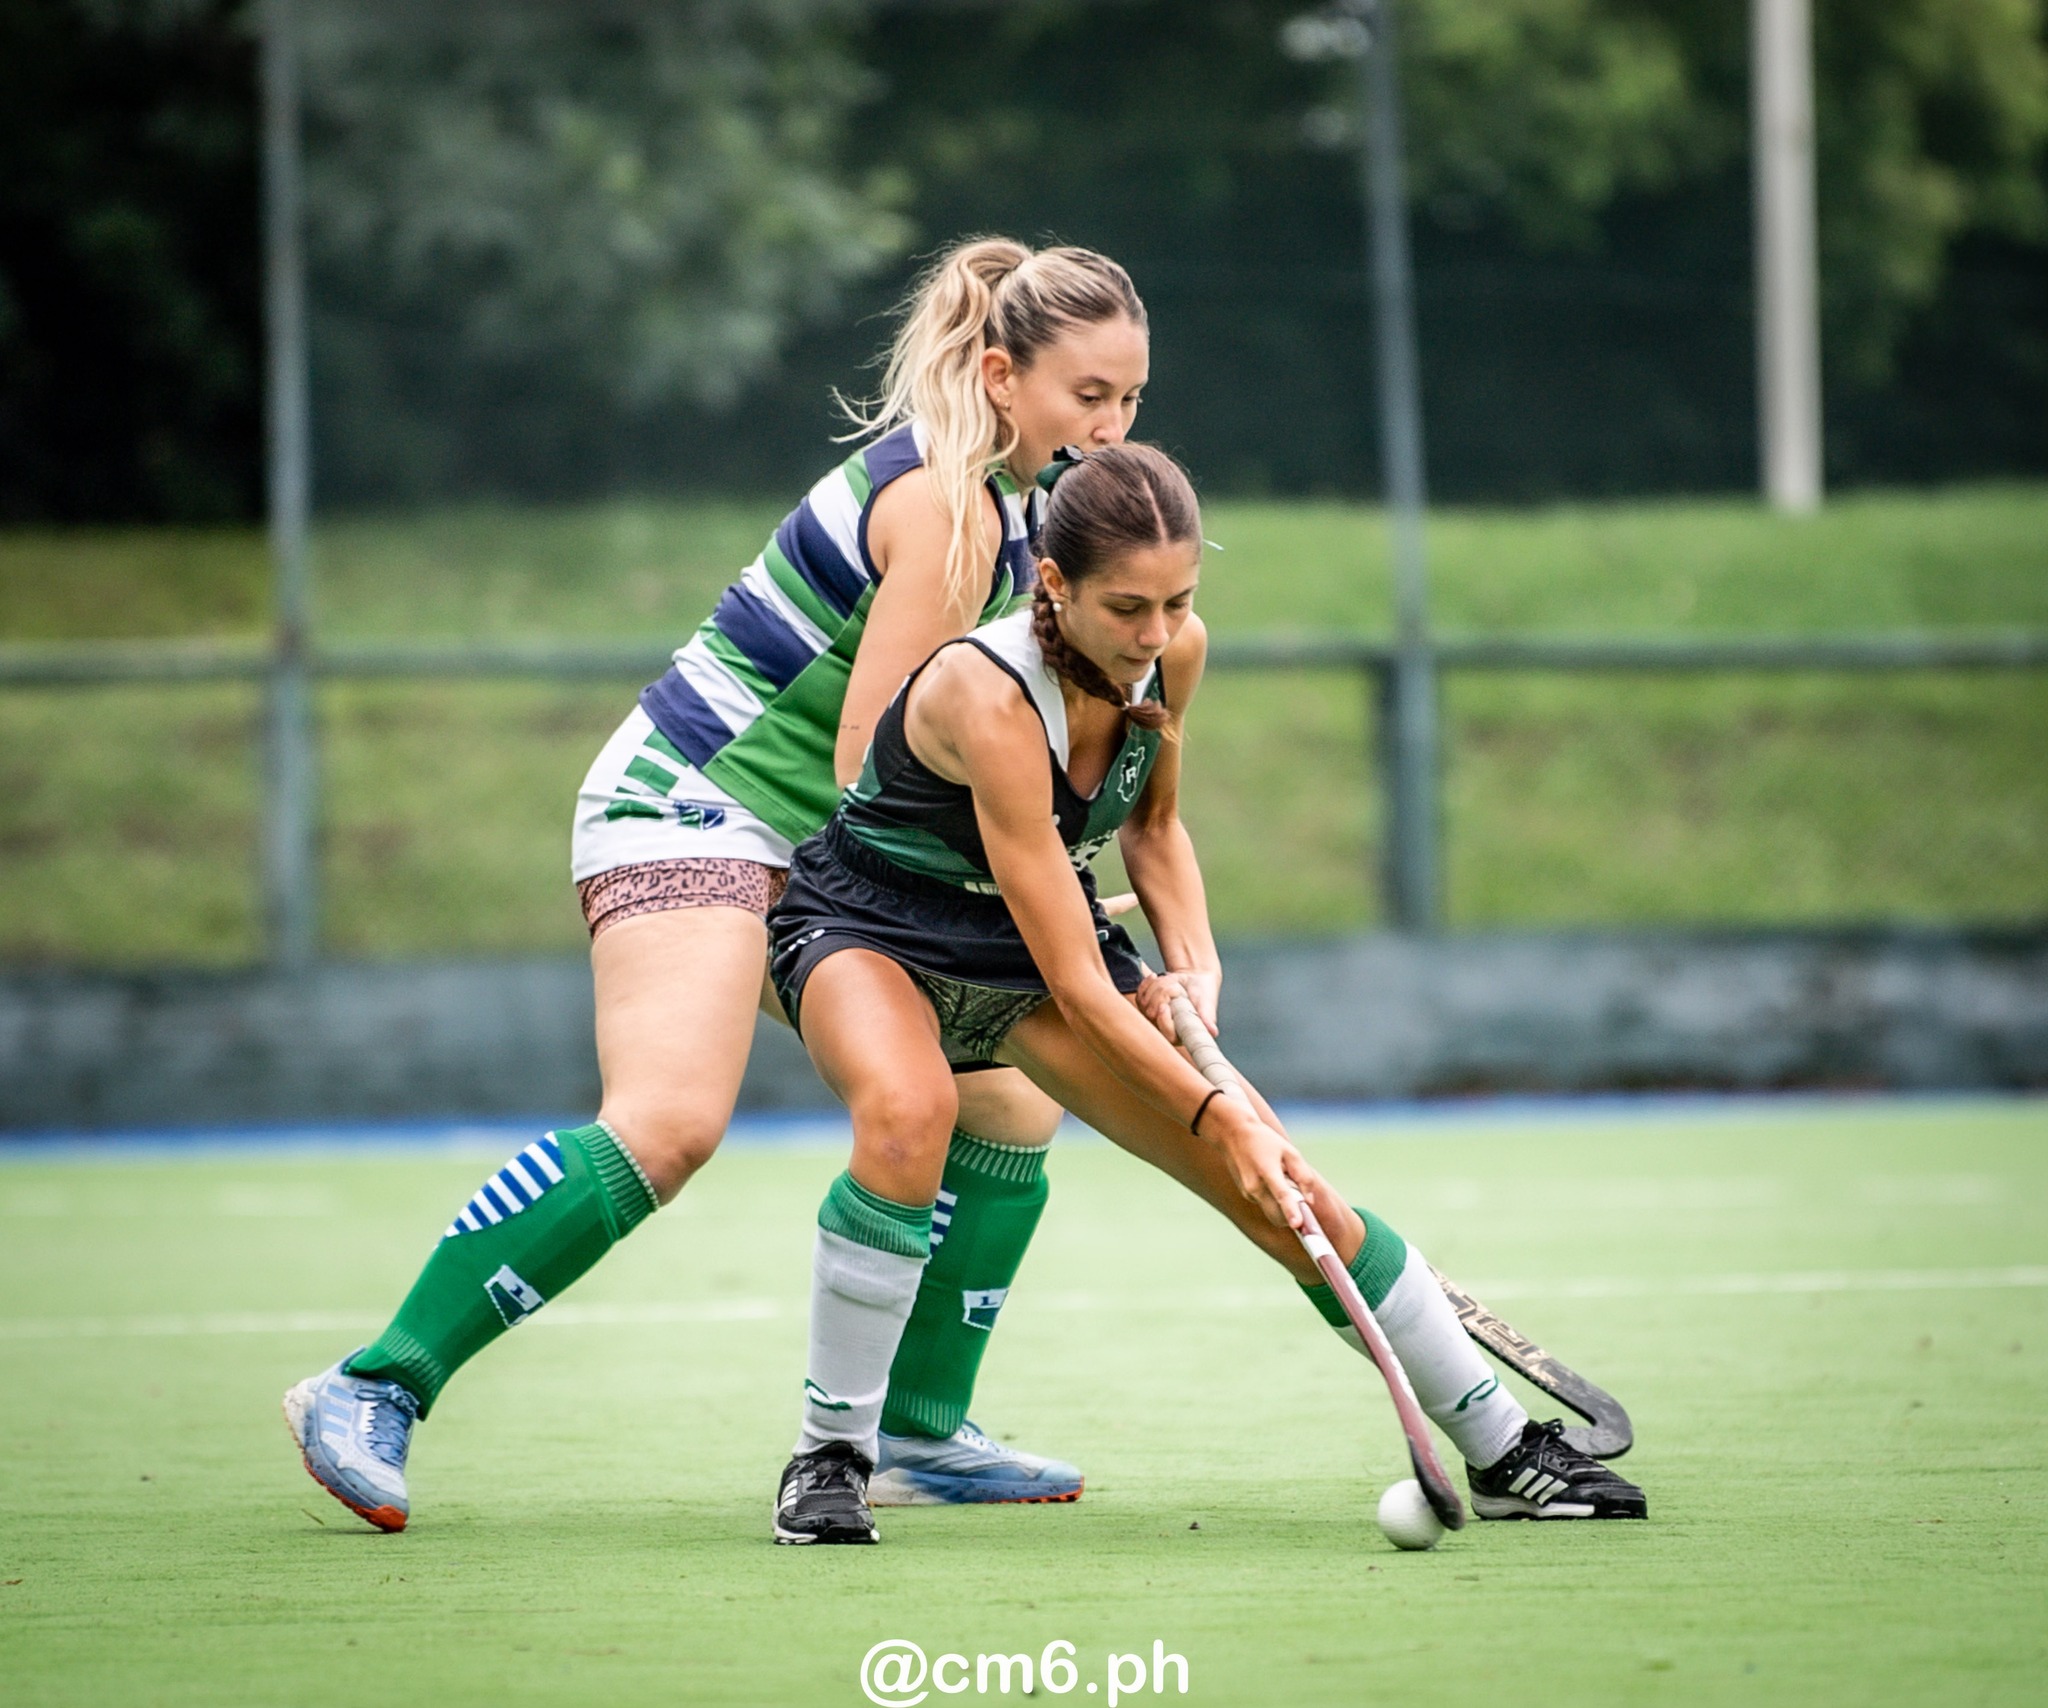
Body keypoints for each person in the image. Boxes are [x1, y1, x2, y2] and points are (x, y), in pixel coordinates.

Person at [284, 239, 1156, 1530]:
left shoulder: (1029, 513)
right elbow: (878, 758)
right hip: (693, 805)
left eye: (1132, 398)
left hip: (814, 849)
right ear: (1002, 375)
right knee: (672, 1119)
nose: (1115, 426)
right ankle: (374, 1384)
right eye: (1089, 396)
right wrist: (1025, 907)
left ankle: (914, 1431)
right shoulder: (949, 509)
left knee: (1009, 1108)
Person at [764, 442, 1647, 1543]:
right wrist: (1214, 1104)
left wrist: (1196, 967)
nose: (1150, 633)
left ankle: (1506, 1446)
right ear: (1053, 583)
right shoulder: (985, 694)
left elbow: (1151, 827)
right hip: (872, 928)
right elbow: (1079, 987)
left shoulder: (1173, 652)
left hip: (1020, 941)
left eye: (1175, 600)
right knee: (909, 1114)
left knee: (1279, 1187)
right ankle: (830, 1458)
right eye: (1124, 607)